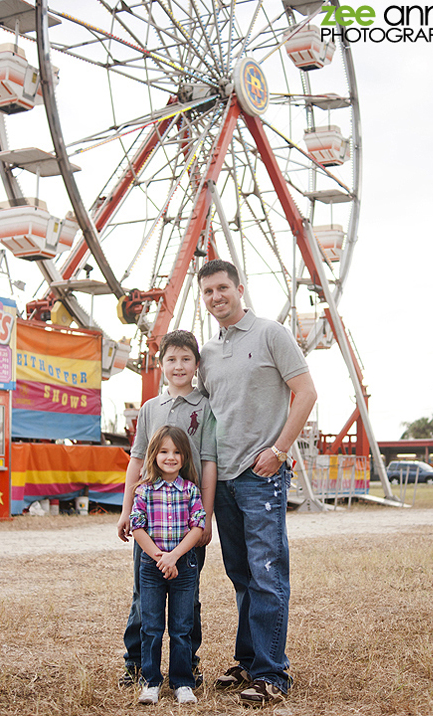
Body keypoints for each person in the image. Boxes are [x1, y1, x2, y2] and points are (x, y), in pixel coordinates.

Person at [196, 259, 317, 706]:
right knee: (242, 575)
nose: (216, 297)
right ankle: (248, 661)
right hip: (222, 477)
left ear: (240, 288)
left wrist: (280, 450)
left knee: (268, 573)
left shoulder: (271, 333)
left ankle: (272, 673)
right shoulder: (207, 353)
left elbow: (306, 393)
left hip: (259, 475)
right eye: (208, 292)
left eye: (222, 288)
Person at [116, 330, 217, 688]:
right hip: (151, 520)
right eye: (171, 359)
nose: (178, 366)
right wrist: (127, 509)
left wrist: (205, 518)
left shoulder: (204, 408)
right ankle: (136, 663)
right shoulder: (150, 408)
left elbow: (207, 463)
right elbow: (137, 460)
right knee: (143, 594)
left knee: (189, 596)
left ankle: (188, 663)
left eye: (185, 359)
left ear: (196, 365)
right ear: (161, 365)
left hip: (187, 522)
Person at [130, 425, 207, 705]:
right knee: (150, 626)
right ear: (154, 455)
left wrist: (174, 556)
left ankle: (182, 681)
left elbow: (198, 525)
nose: (170, 457)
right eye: (164, 451)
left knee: (181, 627)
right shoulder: (145, 490)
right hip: (152, 568)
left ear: (184, 458)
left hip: (184, 565)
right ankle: (150, 681)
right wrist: (161, 558)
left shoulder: (190, 490)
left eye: (176, 452)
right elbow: (137, 527)